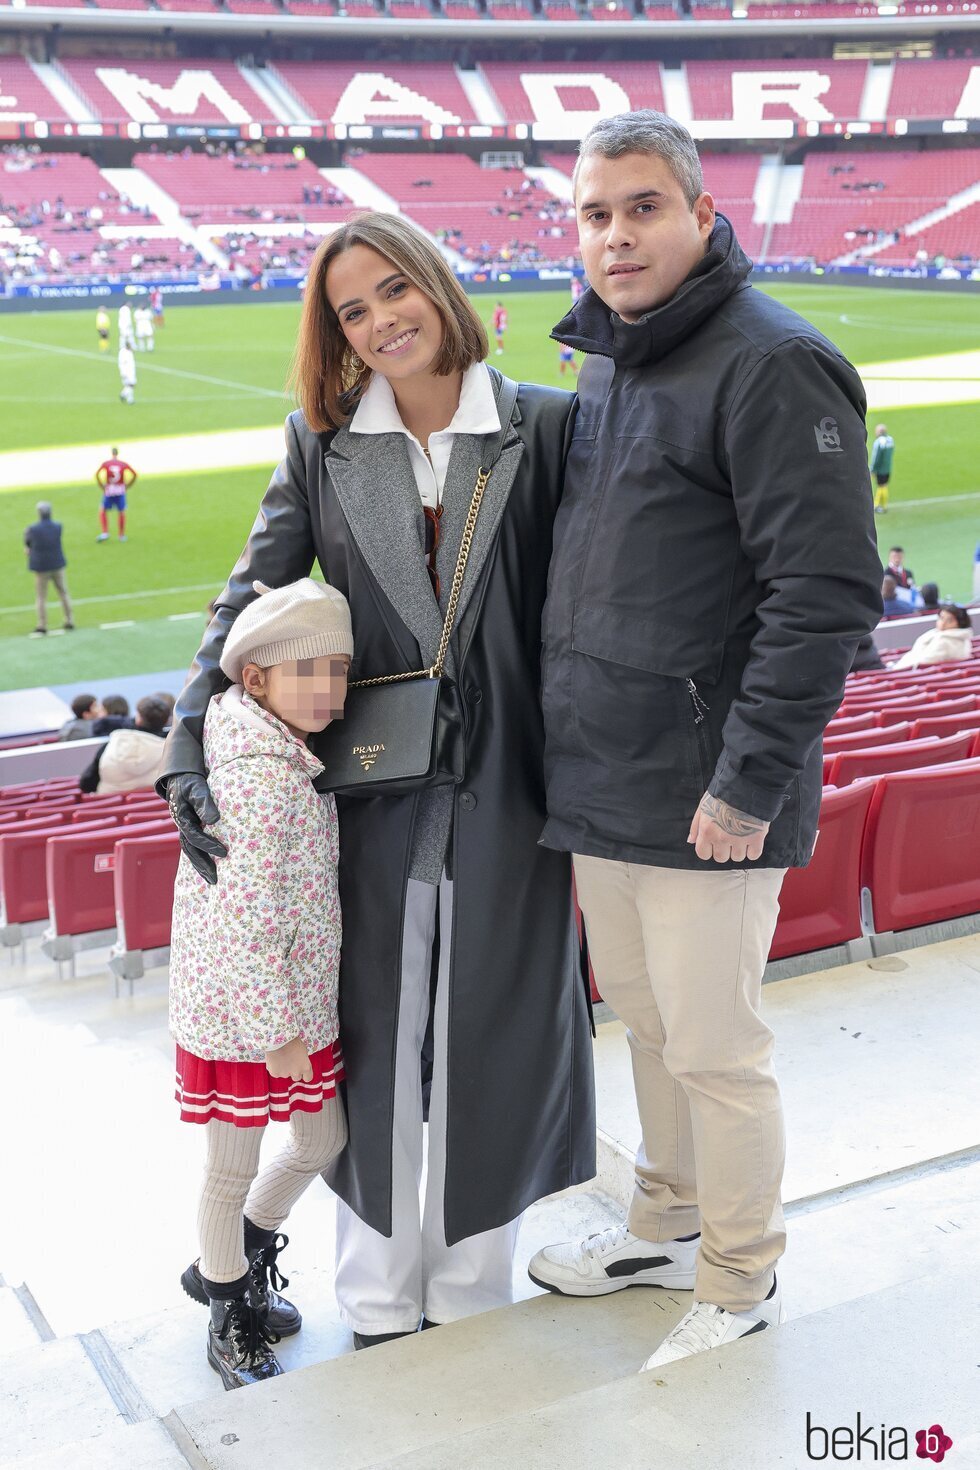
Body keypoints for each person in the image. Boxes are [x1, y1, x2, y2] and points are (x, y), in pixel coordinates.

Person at [159, 210, 594, 1350]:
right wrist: (188, 723)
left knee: (491, 1027)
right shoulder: (321, 442)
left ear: (435, 285)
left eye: (393, 289)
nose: (379, 319)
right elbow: (248, 594)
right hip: (369, 783)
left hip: (513, 785)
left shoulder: (546, 427)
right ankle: (374, 1295)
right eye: (352, 309)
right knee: (378, 1025)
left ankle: (466, 1282)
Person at [530, 111, 882, 1370]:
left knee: (718, 1050)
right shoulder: (610, 357)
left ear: (700, 212)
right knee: (646, 1022)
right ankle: (665, 1223)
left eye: (639, 208)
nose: (614, 236)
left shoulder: (770, 362)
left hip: (704, 788)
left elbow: (824, 593)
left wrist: (744, 784)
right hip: (604, 772)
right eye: (593, 214)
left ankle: (740, 1275)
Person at [170, 579, 353, 1390]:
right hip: (248, 1021)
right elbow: (243, 927)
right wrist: (278, 1032)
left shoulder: (286, 756)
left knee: (321, 1141)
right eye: (306, 670)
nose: (327, 689)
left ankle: (230, 1260)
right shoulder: (256, 778)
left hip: (296, 1006)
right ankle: (226, 1311)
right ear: (255, 680)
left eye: (339, 669)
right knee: (229, 1169)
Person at [79, 694, 171, 793]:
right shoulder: (173, 750)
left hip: (110, 805)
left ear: (138, 718)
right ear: (166, 721)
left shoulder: (110, 746)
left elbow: (86, 785)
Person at [24, 501, 73, 637]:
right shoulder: (57, 527)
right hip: (57, 564)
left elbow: (28, 544)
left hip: (41, 567)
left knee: (41, 597)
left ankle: (42, 624)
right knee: (63, 592)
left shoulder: (32, 529)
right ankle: (69, 620)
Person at [892, 604, 973, 669]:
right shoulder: (962, 639)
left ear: (960, 623)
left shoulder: (943, 642)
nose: (943, 623)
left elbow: (921, 664)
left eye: (949, 620)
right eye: (941, 618)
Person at [95, 447, 137, 541]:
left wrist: (101, 485)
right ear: (117, 453)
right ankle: (121, 535)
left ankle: (105, 532)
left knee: (103, 510)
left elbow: (97, 474)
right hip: (120, 490)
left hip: (109, 489)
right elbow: (134, 474)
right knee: (121, 511)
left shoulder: (106, 464)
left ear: (111, 453)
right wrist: (128, 485)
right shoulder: (123, 464)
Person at [870, 423, 895, 514]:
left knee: (881, 486)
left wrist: (873, 469)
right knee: (884, 486)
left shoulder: (879, 442)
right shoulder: (890, 440)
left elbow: (876, 457)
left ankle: (877, 505)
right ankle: (884, 505)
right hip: (888, 468)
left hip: (880, 469)